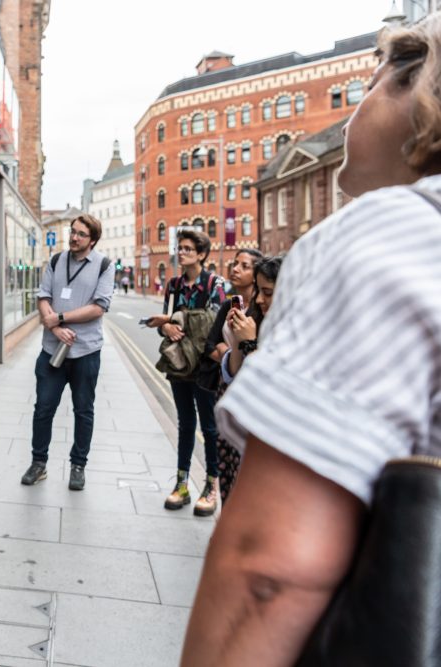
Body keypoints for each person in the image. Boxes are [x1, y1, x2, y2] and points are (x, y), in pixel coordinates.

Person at [182, 17, 441, 665]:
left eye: (373, 78)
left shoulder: (389, 236)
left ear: (422, 93)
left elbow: (270, 570)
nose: (362, 98)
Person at [21, 215, 114, 491]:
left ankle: (78, 466)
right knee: (43, 409)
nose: (74, 237)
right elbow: (43, 296)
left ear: (93, 240)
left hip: (85, 351)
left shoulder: (104, 266)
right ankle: (39, 464)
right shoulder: (55, 260)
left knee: (83, 410)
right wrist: (55, 326)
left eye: (81, 234)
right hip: (52, 349)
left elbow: (99, 307)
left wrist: (59, 318)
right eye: (72, 232)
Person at [146, 230, 224, 516]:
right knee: (185, 424)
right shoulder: (174, 285)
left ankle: (211, 486)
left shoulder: (215, 284)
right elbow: (163, 321)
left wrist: (174, 320)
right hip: (179, 364)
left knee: (210, 427)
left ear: (202, 254)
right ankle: (182, 484)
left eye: (189, 249)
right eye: (180, 248)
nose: (182, 253)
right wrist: (165, 327)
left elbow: (211, 326)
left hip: (204, 366)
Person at [202, 249, 263, 501]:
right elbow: (210, 345)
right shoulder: (230, 303)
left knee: (245, 463)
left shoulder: (262, 311)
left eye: (244, 266)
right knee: (223, 451)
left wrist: (232, 353)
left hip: (250, 393)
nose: (235, 269)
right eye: (235, 264)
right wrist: (230, 357)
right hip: (225, 389)